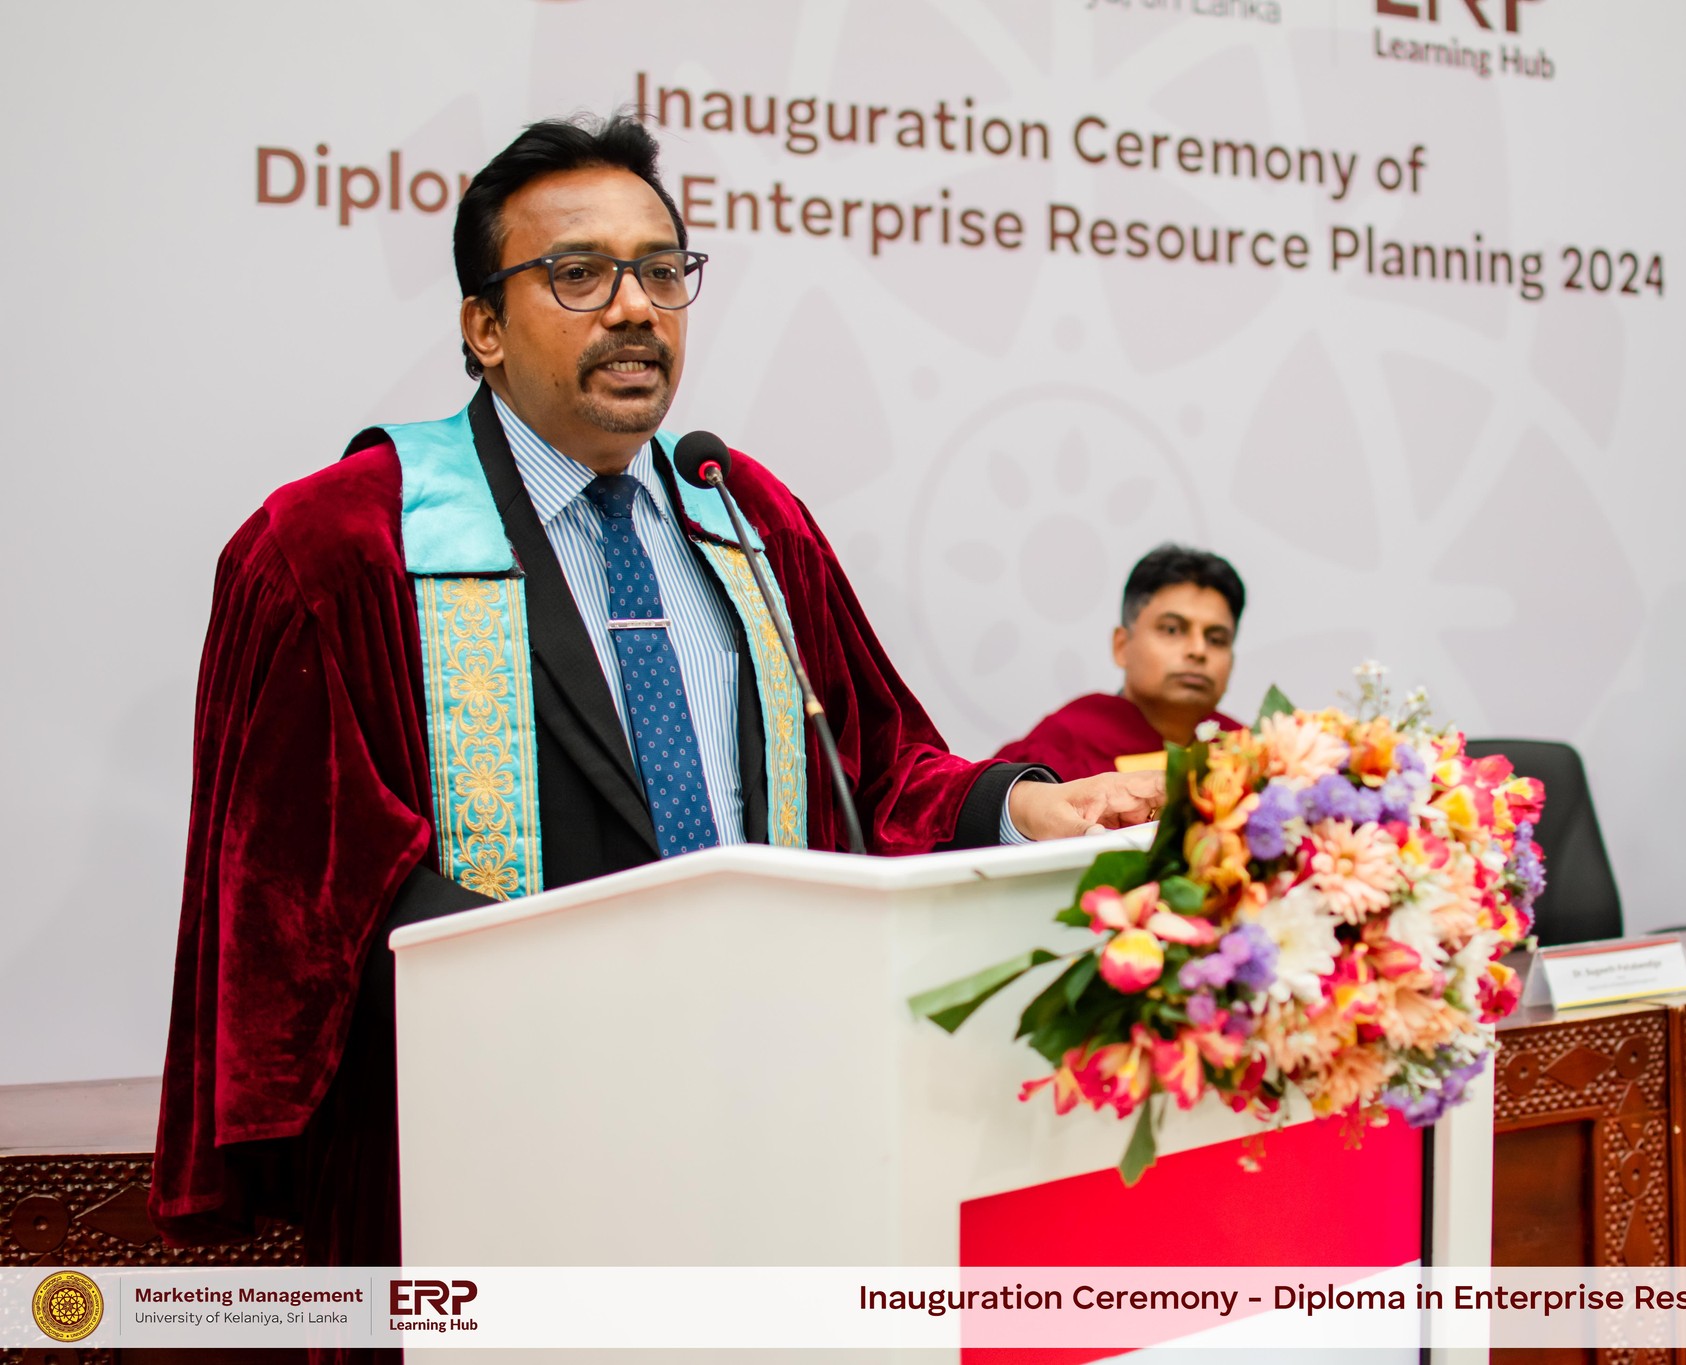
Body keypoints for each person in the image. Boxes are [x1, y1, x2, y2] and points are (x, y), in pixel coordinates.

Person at [149, 114, 1163, 1304]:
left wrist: (1025, 809)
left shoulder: (742, 514)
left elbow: (870, 774)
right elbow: (306, 899)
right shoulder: (339, 544)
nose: (634, 308)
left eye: (662, 271)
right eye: (577, 274)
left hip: (764, 1124)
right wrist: (612, 998)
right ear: (482, 327)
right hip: (487, 1160)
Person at [995, 544, 1247, 779]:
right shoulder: (1062, 744)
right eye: (1172, 630)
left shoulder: (1246, 752)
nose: (1198, 650)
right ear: (1121, 646)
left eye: (1216, 639)